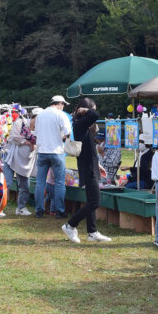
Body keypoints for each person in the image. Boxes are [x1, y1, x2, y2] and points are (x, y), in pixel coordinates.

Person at [61, 98, 112, 243]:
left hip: (91, 166)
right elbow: (95, 115)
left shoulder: (84, 126)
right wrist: (87, 111)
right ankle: (70, 225)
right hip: (88, 168)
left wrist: (98, 165)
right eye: (91, 108)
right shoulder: (80, 124)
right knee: (95, 202)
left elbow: (89, 150)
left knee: (91, 201)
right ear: (85, 110)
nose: (93, 111)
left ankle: (92, 232)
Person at [34, 96, 72, 219]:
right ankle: (59, 211)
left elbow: (36, 134)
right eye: (63, 105)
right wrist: (61, 138)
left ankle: (39, 211)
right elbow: (68, 133)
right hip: (57, 151)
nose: (63, 107)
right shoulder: (61, 115)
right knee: (59, 182)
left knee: (40, 183)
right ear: (60, 104)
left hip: (42, 151)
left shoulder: (40, 115)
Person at [2, 108, 37, 217]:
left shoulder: (41, 129)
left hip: (26, 161)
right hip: (12, 157)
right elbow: (14, 137)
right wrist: (28, 143)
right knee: (6, 184)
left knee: (24, 186)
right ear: (34, 117)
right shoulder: (21, 122)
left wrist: (33, 145)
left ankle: (21, 208)